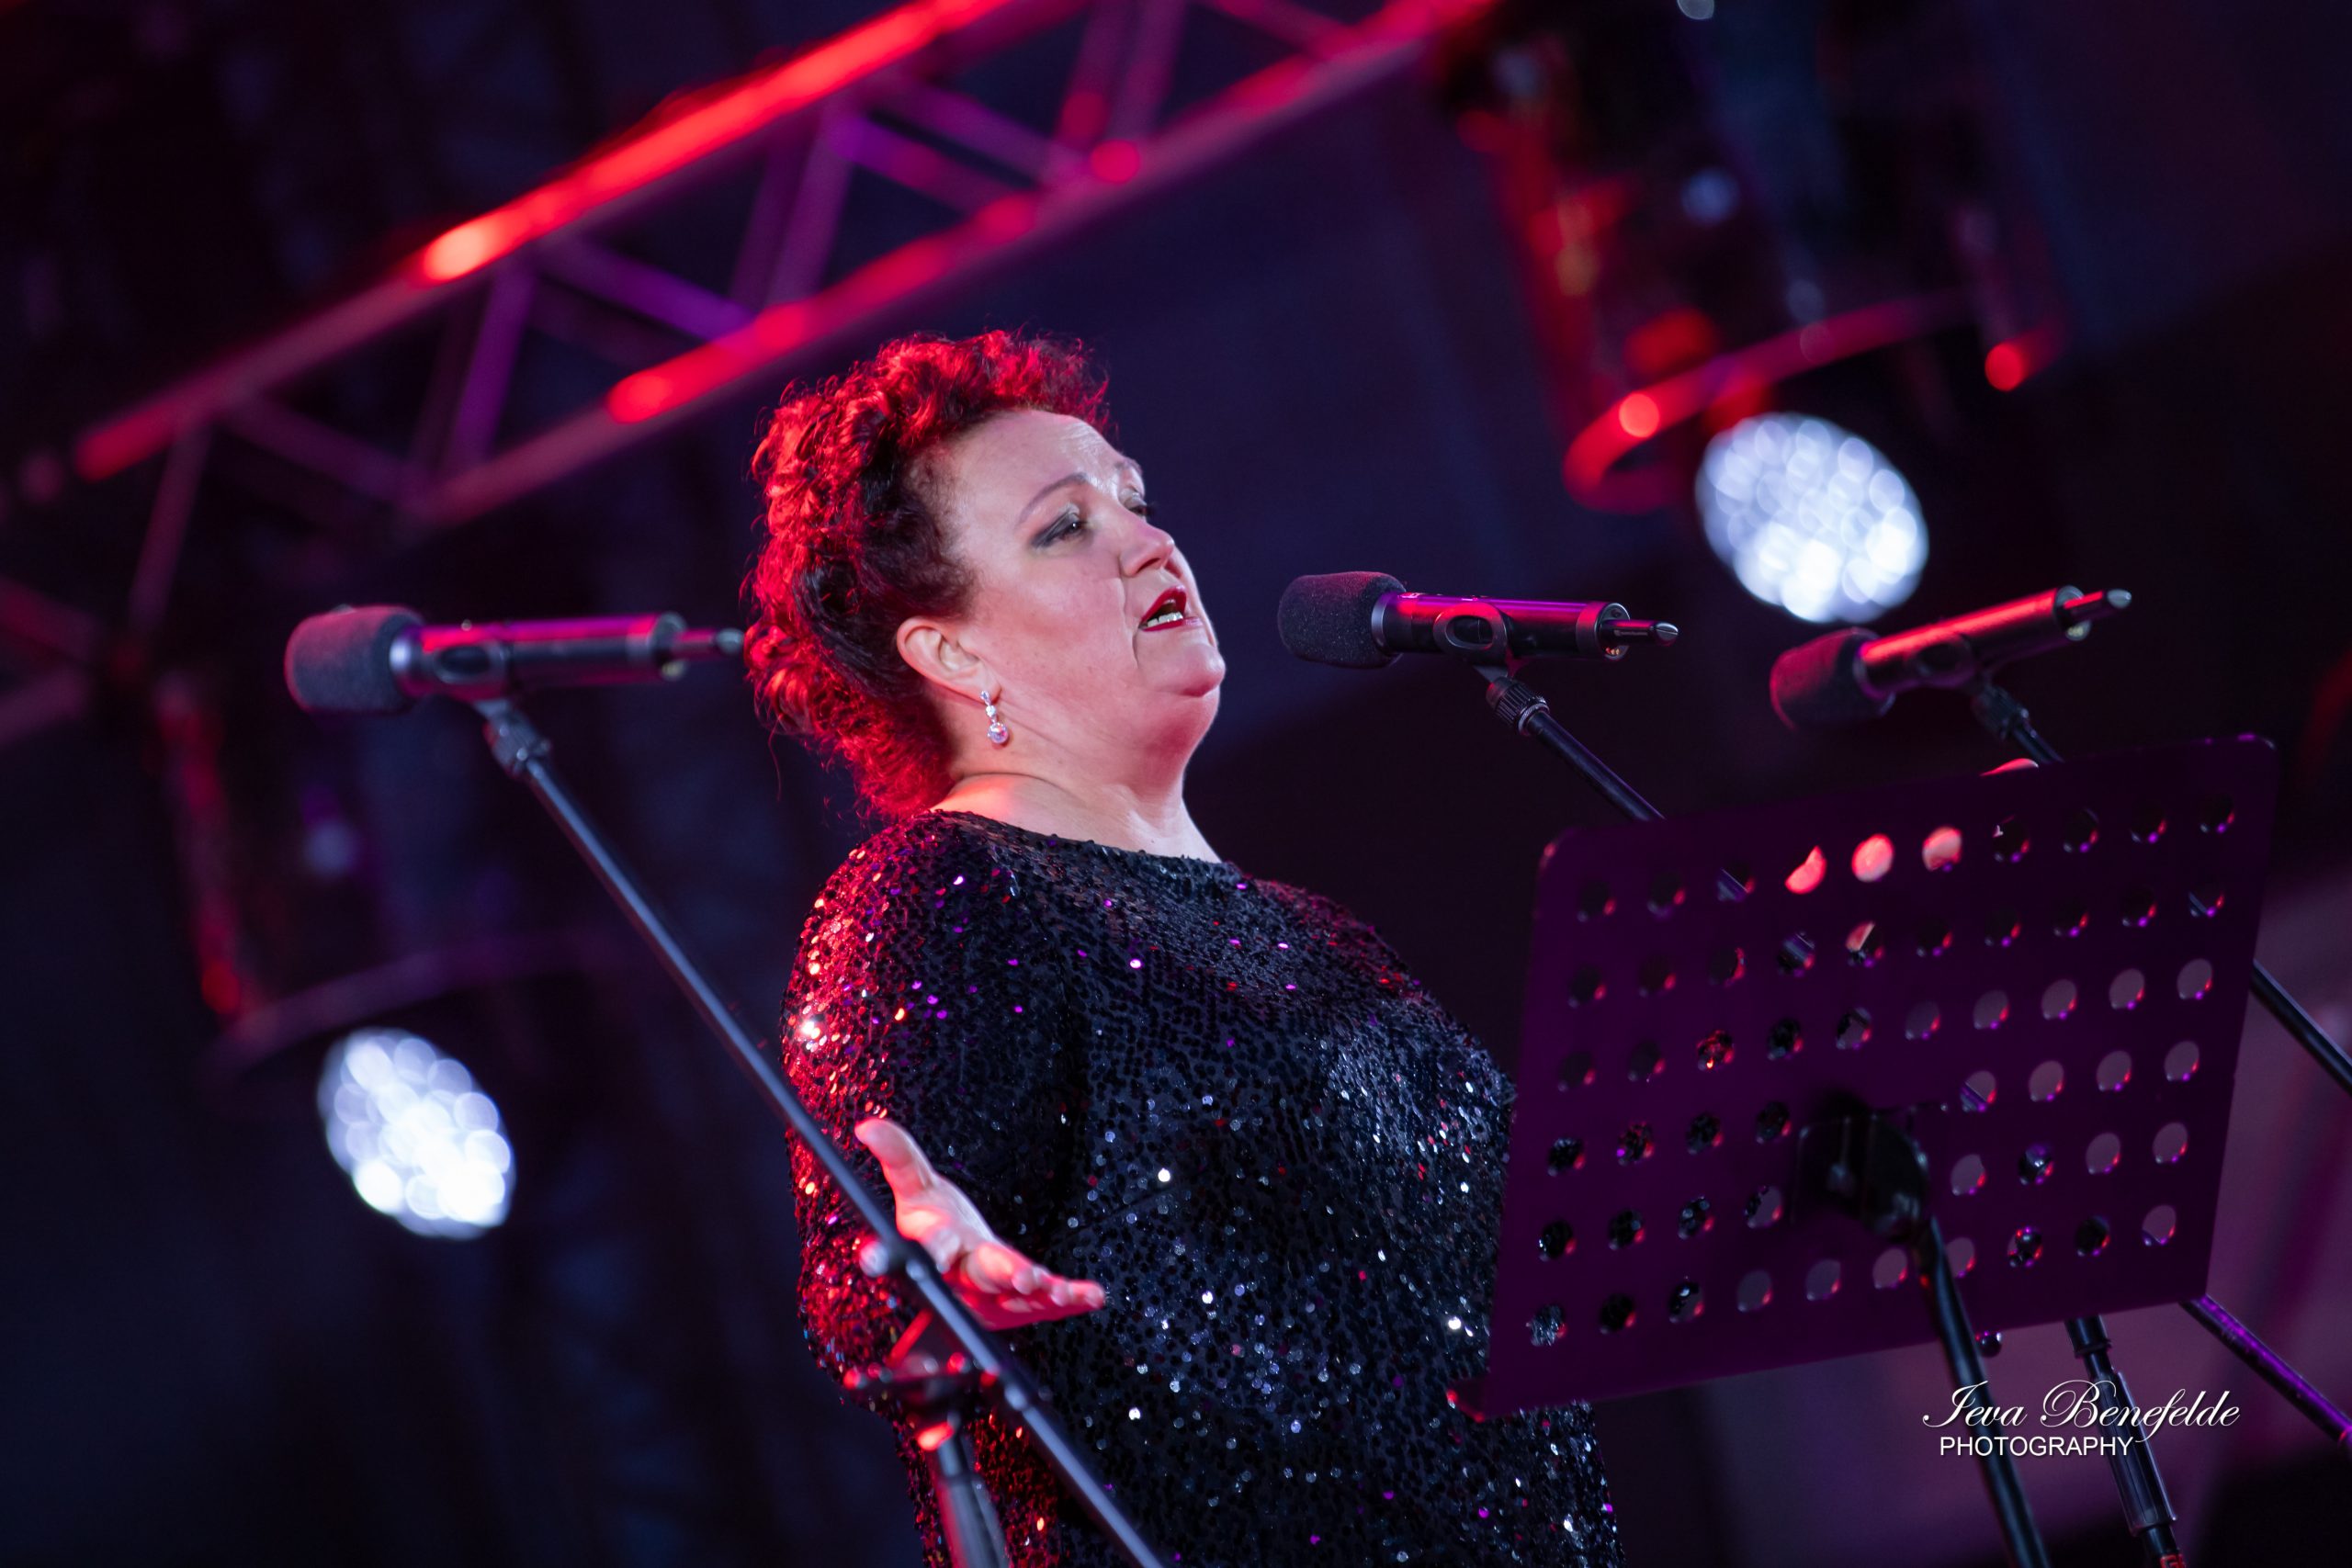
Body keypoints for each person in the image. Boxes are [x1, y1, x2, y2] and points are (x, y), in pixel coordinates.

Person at [747, 328, 1623, 1566]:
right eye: (1065, 527)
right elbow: (870, 1264)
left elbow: (1539, 1249)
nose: (1149, 543)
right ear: (951, 652)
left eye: (1137, 501)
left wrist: (1755, 1054)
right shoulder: (940, 895)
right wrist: (918, 1266)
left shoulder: (1310, 931)